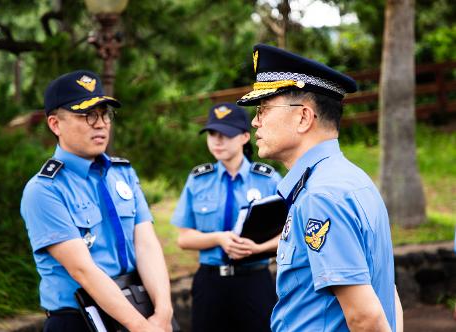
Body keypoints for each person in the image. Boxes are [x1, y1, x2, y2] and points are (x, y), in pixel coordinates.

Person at [237, 44, 403, 331]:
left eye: (263, 109)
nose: (255, 121)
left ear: (303, 117)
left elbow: (365, 317)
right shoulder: (352, 180)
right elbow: (389, 292)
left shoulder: (321, 195)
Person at [21, 70, 173, 332]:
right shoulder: (44, 190)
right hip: (79, 319)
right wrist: (140, 327)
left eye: (105, 114)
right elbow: (83, 270)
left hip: (139, 305)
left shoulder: (122, 173)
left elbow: (147, 244)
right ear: (55, 124)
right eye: (87, 115)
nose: (101, 123)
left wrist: (163, 312)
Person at [170, 102, 282, 332]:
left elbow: (290, 234)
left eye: (226, 134)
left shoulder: (268, 179)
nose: (217, 141)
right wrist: (219, 239)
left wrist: (259, 249)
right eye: (212, 134)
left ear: (243, 137)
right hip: (210, 283)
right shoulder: (198, 179)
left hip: (255, 282)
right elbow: (184, 239)